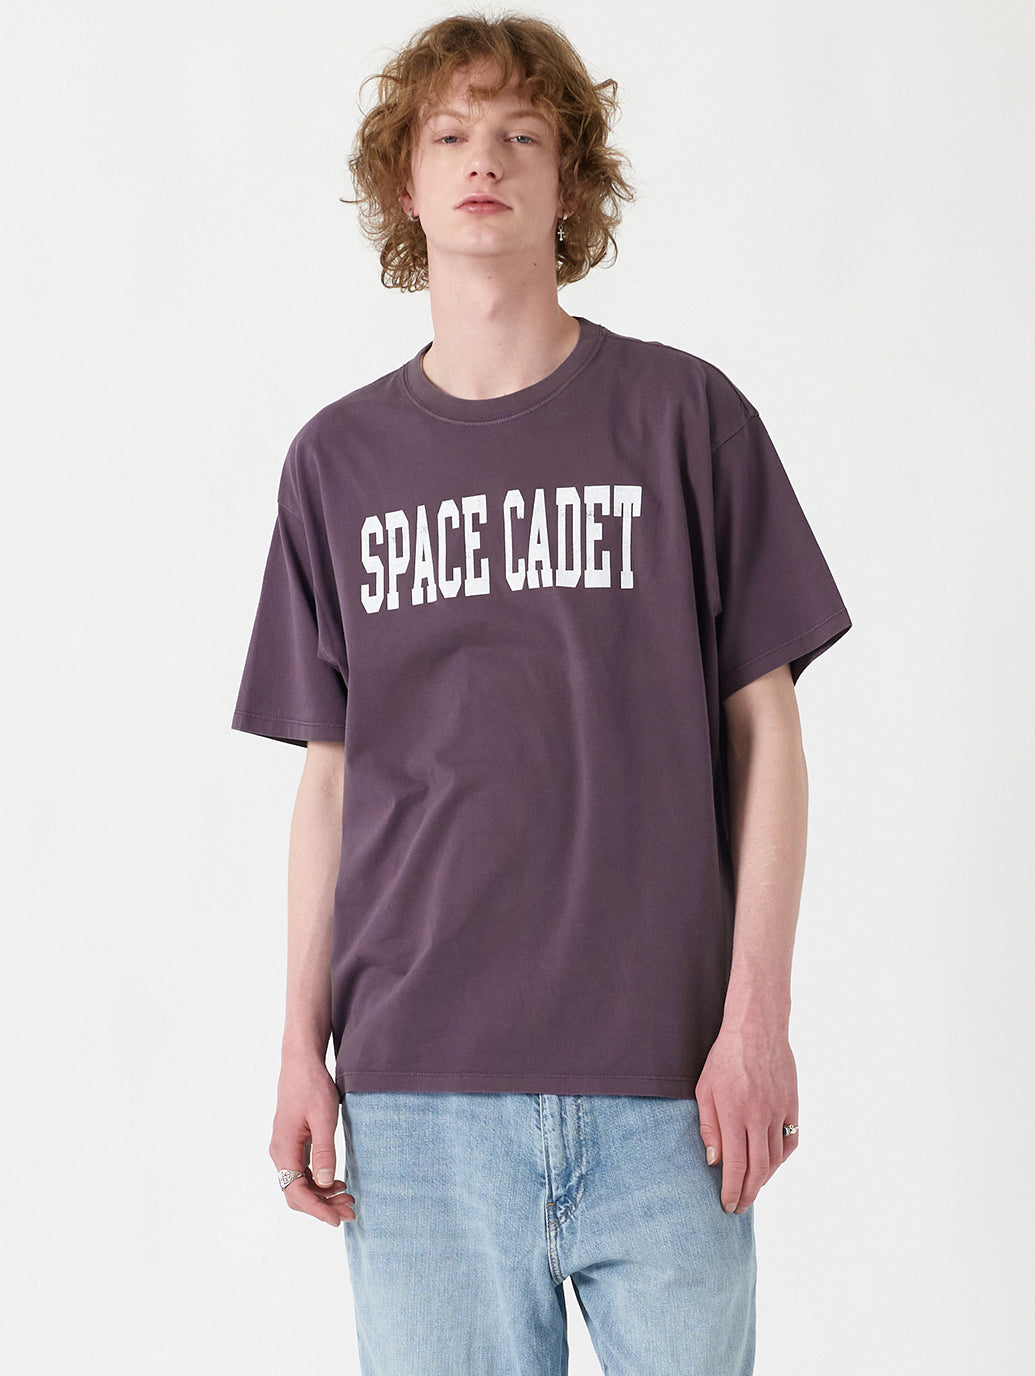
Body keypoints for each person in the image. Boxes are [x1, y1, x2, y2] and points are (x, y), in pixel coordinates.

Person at [231, 12, 851, 1374]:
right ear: (404, 184)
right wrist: (295, 1048)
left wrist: (758, 1020)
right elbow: (330, 777)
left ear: (571, 183)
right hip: (418, 1101)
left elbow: (769, 731)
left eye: (523, 134)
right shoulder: (337, 462)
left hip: (667, 1090)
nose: (485, 160)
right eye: (449, 134)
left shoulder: (686, 420)